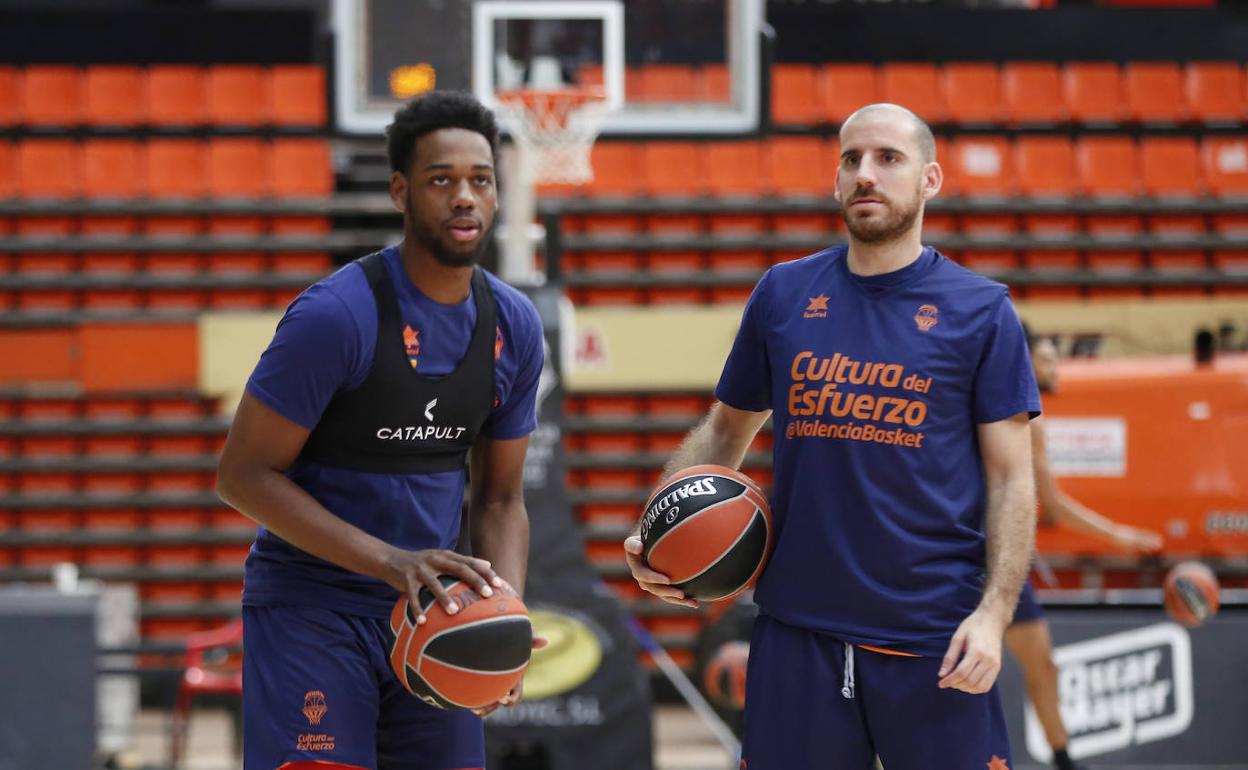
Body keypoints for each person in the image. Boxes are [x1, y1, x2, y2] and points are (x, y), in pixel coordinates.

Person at [624, 102, 1041, 769]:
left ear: (930, 180)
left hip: (933, 636)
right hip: (800, 634)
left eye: (887, 159)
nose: (865, 175)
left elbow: (1011, 479)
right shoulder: (783, 294)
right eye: (851, 160)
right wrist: (661, 523)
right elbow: (725, 429)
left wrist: (994, 615)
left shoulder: (982, 311)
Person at [216, 90, 546, 770]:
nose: (465, 197)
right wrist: (392, 562)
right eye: (441, 180)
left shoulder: (513, 327)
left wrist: (503, 612)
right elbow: (242, 475)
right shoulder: (337, 317)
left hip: (434, 617)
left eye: (480, 180)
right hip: (313, 611)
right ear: (401, 192)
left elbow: (500, 501)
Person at [1008, 330, 1164, 770]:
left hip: (993, 557)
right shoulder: (1025, 417)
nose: (1056, 367)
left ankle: (1064, 761)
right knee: (1020, 669)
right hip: (983, 561)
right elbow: (1053, 504)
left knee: (1041, 667)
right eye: (1047, 359)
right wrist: (1119, 534)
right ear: (1025, 362)